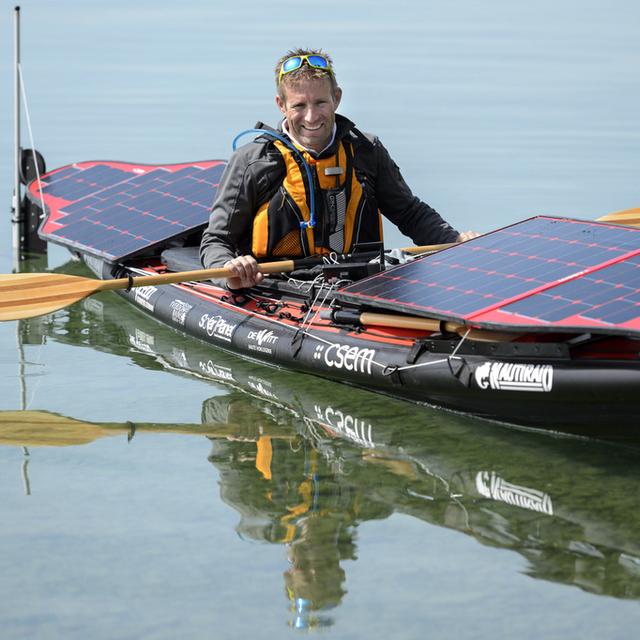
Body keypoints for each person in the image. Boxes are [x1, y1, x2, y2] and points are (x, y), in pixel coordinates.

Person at [200, 48, 478, 290]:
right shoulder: (252, 161)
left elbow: (409, 213)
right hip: (275, 286)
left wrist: (455, 242)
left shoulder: (366, 151)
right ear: (281, 105)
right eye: (299, 105)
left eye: (320, 102)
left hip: (360, 282)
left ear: (337, 98)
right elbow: (215, 240)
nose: (311, 116)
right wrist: (230, 270)